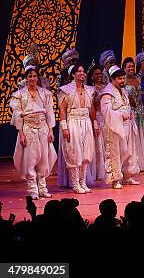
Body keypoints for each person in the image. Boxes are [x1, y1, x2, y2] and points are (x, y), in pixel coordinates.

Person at [10, 64, 57, 199]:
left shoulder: (45, 93)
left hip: (42, 128)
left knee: (43, 158)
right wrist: (21, 133)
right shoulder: (19, 95)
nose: (32, 78)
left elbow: (49, 113)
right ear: (26, 78)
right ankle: (32, 189)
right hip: (28, 128)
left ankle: (42, 188)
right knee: (30, 159)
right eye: (30, 76)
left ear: (38, 77)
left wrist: (50, 130)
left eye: (34, 76)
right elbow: (18, 116)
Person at [58, 63, 98, 194]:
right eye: (79, 71)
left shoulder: (89, 90)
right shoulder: (66, 90)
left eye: (83, 71)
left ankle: (83, 182)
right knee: (74, 153)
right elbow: (62, 110)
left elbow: (91, 109)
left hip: (86, 121)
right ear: (73, 74)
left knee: (86, 152)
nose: (82, 73)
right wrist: (64, 127)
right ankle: (75, 184)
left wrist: (95, 124)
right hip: (73, 121)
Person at [100, 65, 140, 188]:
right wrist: (121, 115)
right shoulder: (107, 93)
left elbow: (127, 106)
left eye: (123, 78)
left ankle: (128, 176)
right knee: (116, 153)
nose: (122, 81)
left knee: (129, 152)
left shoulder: (123, 91)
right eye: (119, 79)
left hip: (127, 125)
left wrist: (129, 113)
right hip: (115, 127)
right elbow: (106, 112)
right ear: (112, 79)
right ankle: (115, 179)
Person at [123, 57, 144, 172]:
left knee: (141, 135)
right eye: (129, 67)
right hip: (130, 112)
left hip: (140, 111)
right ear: (124, 68)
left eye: (133, 66)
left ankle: (143, 162)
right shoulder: (122, 81)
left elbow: (141, 93)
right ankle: (133, 164)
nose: (131, 68)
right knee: (133, 137)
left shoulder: (137, 79)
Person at [88, 63, 106, 181]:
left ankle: (106, 169)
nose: (99, 76)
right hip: (96, 117)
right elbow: (91, 107)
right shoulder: (90, 89)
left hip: (106, 117)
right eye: (96, 74)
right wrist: (94, 121)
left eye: (100, 73)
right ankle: (97, 171)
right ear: (92, 76)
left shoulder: (106, 87)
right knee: (97, 144)